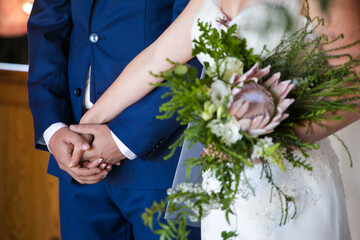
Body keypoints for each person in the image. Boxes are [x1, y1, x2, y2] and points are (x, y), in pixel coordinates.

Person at [69, 0, 360, 239]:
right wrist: (85, 128)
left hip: (289, 180)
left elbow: (353, 87)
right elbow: (156, 59)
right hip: (223, 182)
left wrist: (259, 142)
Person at [27, 0, 202, 239]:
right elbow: (45, 27)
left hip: (165, 162)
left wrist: (125, 137)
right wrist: (53, 128)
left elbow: (198, 45)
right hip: (76, 156)